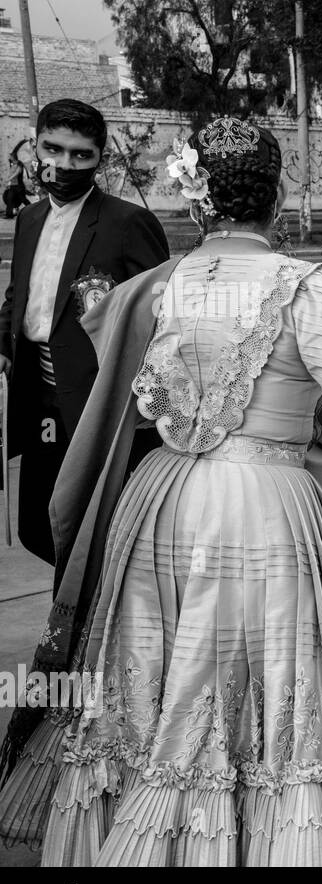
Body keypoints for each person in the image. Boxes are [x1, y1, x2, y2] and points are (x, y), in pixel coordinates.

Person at [0, 117, 322, 865]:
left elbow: (140, 401)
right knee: (278, 670)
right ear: (280, 194)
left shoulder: (157, 287)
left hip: (161, 497)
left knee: (164, 666)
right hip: (267, 501)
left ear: (202, 199)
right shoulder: (307, 287)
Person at [0, 99, 169, 566]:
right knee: (39, 524)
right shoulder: (29, 219)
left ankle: (80, 626)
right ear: (34, 147)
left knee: (89, 526)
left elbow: (161, 318)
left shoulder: (128, 223)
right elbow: (21, 296)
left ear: (100, 159)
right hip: (40, 395)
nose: (63, 164)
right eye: (52, 149)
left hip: (99, 404)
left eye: (80, 155)